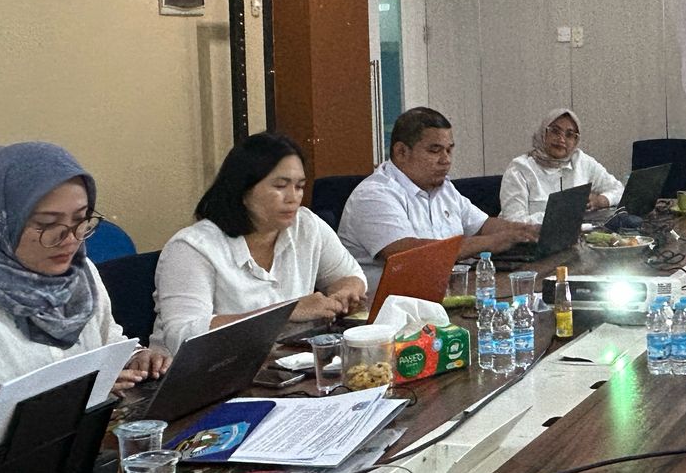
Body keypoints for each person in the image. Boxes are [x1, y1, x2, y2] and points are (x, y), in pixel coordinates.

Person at [0, 143, 168, 408]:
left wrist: (133, 357)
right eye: (47, 224)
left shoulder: (79, 273)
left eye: (81, 220)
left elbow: (106, 341)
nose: (70, 239)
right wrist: (59, 401)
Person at [152, 132, 368, 352]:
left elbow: (351, 275)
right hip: (203, 369)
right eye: (280, 186)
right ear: (243, 190)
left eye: (299, 186)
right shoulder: (192, 247)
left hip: (280, 363)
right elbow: (184, 335)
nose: (293, 197)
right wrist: (286, 312)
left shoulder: (306, 225)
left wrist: (345, 292)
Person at [338, 106, 538, 284]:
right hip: (389, 307)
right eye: (435, 151)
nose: (446, 160)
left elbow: (483, 226)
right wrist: (492, 242)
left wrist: (525, 231)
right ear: (401, 152)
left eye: (449, 150)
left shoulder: (443, 188)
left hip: (447, 293)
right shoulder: (373, 195)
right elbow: (409, 255)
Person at [500, 110, 626, 224]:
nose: (561, 139)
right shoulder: (520, 168)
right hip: (531, 239)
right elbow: (513, 222)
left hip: (577, 237)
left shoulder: (582, 161)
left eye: (569, 135)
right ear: (544, 133)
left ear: (576, 141)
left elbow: (619, 190)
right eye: (555, 131)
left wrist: (601, 201)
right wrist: (561, 215)